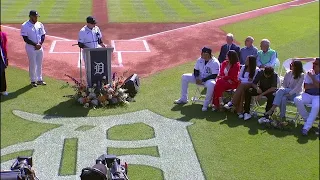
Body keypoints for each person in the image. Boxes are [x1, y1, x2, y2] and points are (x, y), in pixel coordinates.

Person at [174, 47, 220, 111]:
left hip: (208, 80)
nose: (201, 54)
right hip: (199, 77)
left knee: (212, 84)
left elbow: (214, 75)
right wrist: (197, 78)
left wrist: (203, 80)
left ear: (207, 54)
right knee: (184, 77)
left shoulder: (215, 62)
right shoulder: (200, 59)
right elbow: (196, 70)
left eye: (202, 53)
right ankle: (184, 98)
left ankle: (206, 104)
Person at [294, 58, 320, 136]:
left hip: (318, 96)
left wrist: (312, 78)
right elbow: (306, 87)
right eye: (313, 64)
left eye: (316, 64)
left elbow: (318, 86)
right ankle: (308, 119)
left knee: (316, 106)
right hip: (307, 94)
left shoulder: (311, 75)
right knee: (297, 99)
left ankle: (306, 128)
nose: (313, 65)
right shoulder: (309, 72)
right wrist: (316, 85)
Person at [21, 10, 46, 87]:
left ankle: (39, 79)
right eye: (35, 16)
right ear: (31, 16)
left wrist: (40, 44)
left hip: (39, 47)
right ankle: (33, 80)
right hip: (30, 47)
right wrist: (35, 44)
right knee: (33, 64)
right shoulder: (25, 25)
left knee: (39, 63)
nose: (36, 18)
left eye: (37, 16)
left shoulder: (40, 24)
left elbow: (43, 35)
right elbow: (25, 38)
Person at [0, 27, 8, 96]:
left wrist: (6, 58)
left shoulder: (2, 35)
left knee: (2, 73)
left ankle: (3, 89)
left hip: (1, 57)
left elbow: (4, 47)